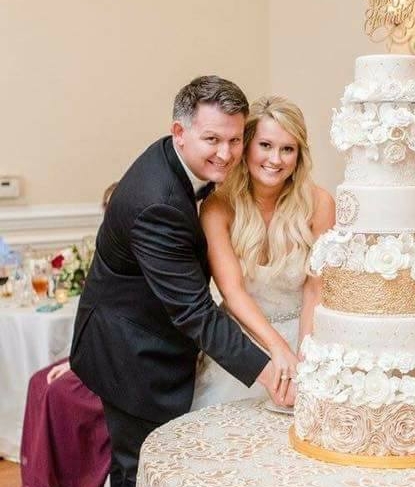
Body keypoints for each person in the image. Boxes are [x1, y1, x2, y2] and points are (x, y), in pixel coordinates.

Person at [69, 76, 287, 487]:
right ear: (180, 132)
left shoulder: (178, 162)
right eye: (213, 140)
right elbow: (194, 309)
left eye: (236, 140)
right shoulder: (157, 202)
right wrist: (271, 373)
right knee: (142, 469)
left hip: (149, 336)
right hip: (130, 352)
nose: (226, 154)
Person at [192, 96, 335, 407]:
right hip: (245, 345)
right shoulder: (217, 209)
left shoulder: (320, 203)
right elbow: (233, 292)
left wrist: (305, 355)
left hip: (306, 333)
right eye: (266, 145)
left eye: (288, 149)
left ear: (299, 155)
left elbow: (315, 289)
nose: (276, 159)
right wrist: (277, 350)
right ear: (246, 147)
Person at [20, 182, 118, 487]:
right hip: (103, 352)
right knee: (39, 380)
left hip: (125, 364)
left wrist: (82, 363)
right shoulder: (111, 252)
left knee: (57, 391)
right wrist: (78, 359)